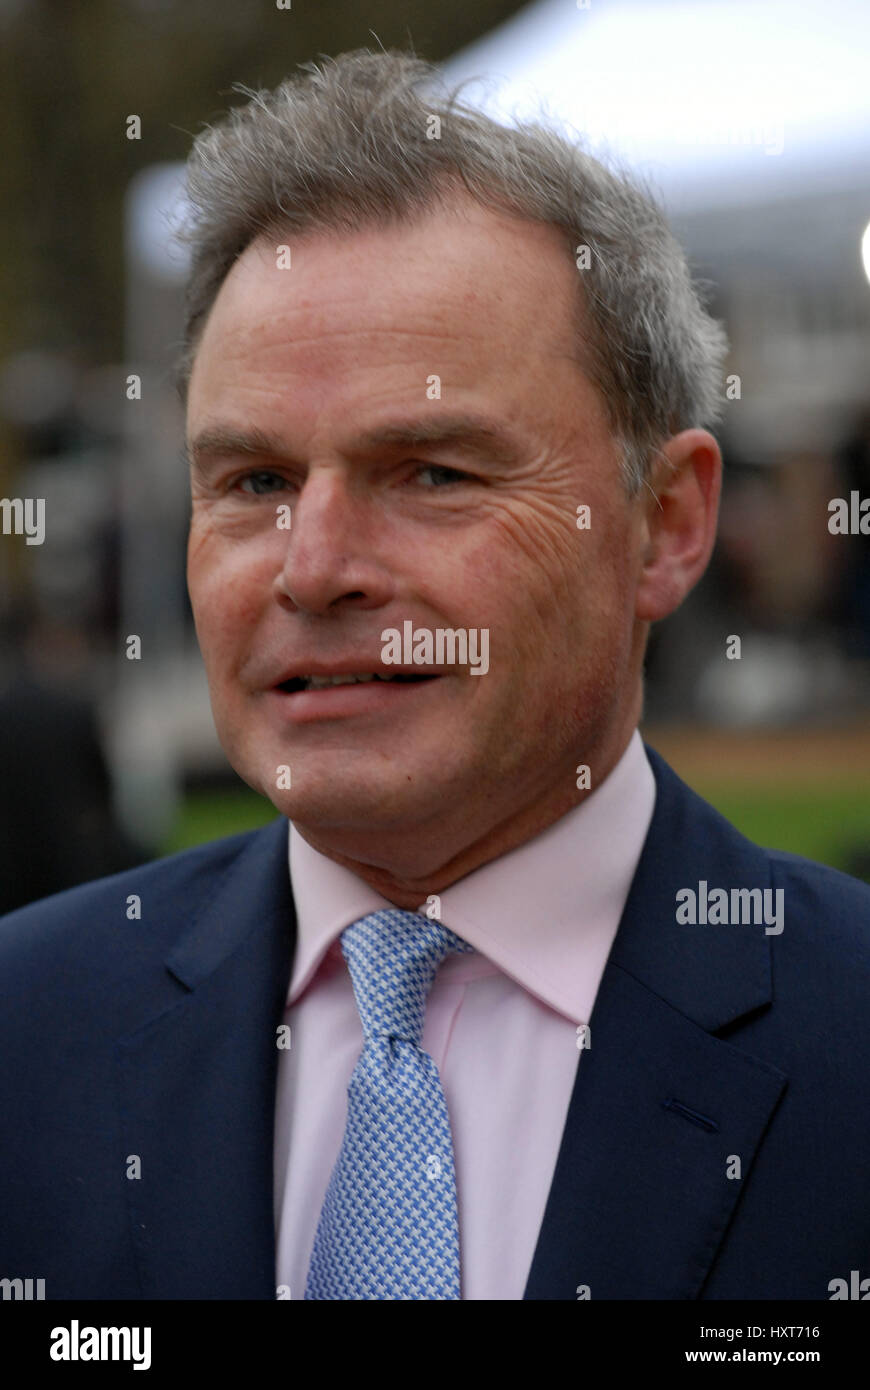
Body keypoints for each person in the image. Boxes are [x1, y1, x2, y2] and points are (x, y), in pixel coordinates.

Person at [1, 48, 868, 1302]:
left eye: (434, 474)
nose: (315, 569)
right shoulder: (29, 1031)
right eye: (254, 482)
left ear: (667, 522)